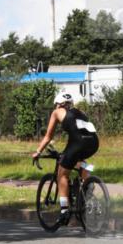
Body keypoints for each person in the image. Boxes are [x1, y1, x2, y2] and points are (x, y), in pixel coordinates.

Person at [32, 93, 99, 223]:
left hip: (77, 142)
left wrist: (38, 151)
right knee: (78, 161)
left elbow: (48, 136)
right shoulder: (80, 111)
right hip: (93, 142)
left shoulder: (57, 112)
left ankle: (64, 210)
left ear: (59, 103)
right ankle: (88, 184)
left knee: (62, 174)